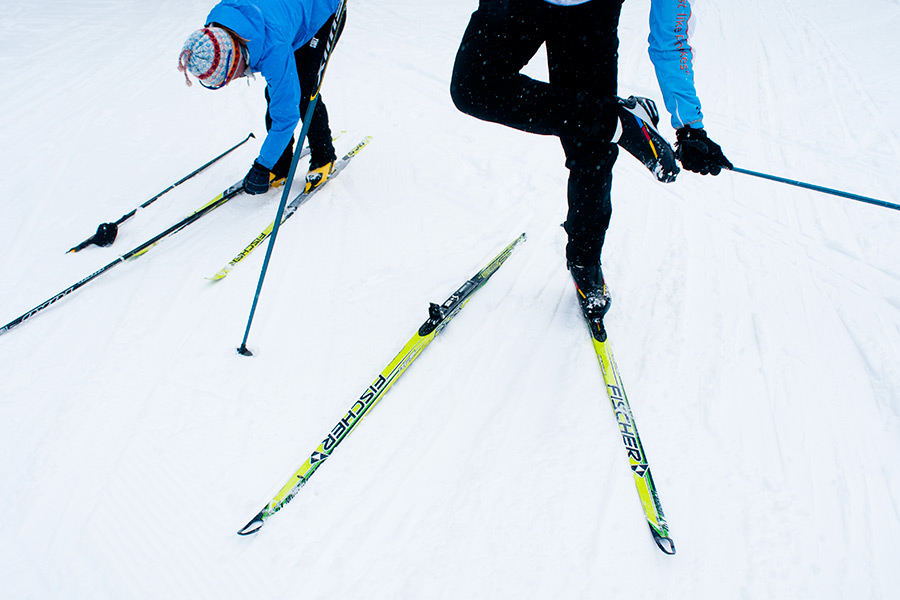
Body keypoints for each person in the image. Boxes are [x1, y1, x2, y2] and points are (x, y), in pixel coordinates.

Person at [450, 0, 732, 340]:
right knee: (474, 87)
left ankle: (584, 259)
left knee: (591, 151)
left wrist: (690, 126)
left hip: (588, 13)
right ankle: (617, 122)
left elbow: (670, 36)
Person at [178, 0, 345, 195]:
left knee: (303, 91)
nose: (233, 81)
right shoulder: (216, 28)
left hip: (322, 11)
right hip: (286, 16)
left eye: (230, 76)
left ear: (237, 58)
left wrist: (263, 165)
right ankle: (281, 163)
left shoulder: (273, 46)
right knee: (279, 89)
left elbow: (286, 115)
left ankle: (323, 156)